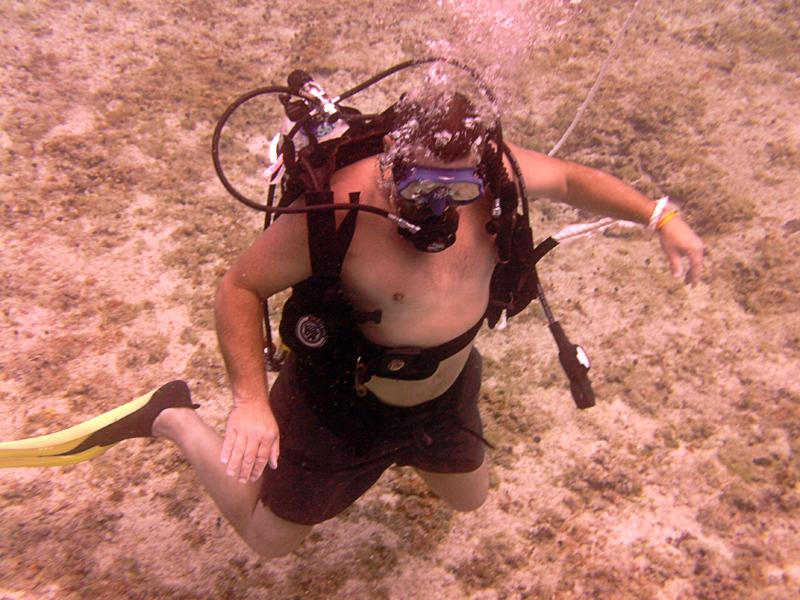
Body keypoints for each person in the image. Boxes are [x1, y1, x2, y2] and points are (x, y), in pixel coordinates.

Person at [151, 91, 704, 558]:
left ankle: (400, 453)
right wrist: (250, 402)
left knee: (470, 497)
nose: (439, 206)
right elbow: (238, 288)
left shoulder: (497, 173)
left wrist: (661, 216)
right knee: (269, 540)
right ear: (393, 159)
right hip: (338, 406)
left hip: (443, 394)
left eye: (458, 189)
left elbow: (569, 179)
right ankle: (173, 415)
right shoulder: (340, 208)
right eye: (420, 187)